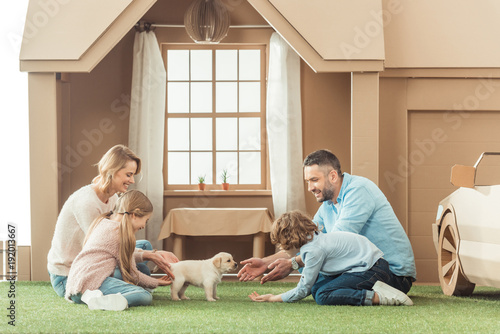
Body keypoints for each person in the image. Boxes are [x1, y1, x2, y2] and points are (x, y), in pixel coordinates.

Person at [239, 149, 416, 294]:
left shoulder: (359, 191)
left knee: (319, 286)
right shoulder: (328, 205)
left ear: (332, 176)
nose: (310, 188)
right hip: (362, 268)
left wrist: (293, 263)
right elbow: (305, 241)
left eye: (314, 180)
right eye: (308, 181)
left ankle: (383, 297)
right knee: (314, 283)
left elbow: (331, 245)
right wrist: (265, 263)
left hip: (391, 274)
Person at [47, 144, 178, 297]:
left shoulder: (113, 198)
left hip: (99, 261)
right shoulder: (86, 203)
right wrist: (150, 255)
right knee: (142, 259)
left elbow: (114, 244)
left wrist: (153, 253)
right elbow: (106, 248)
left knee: (145, 247)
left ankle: (135, 284)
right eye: (128, 175)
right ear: (113, 171)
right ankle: (134, 287)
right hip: (73, 275)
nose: (132, 180)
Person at [248, 211, 413, 306]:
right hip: (372, 265)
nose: (281, 247)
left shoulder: (312, 251)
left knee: (322, 295)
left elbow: (303, 289)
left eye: (281, 243)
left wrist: (274, 297)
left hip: (372, 270)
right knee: (316, 289)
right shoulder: (315, 238)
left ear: (288, 239)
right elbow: (310, 283)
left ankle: (381, 297)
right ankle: (374, 290)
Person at [65, 190, 171, 311]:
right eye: (146, 220)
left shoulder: (103, 222)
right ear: (134, 215)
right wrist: (156, 282)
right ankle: (99, 302)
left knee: (142, 271)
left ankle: (101, 298)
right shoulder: (120, 234)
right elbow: (132, 273)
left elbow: (121, 256)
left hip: (76, 285)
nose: (143, 226)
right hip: (89, 286)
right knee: (144, 295)